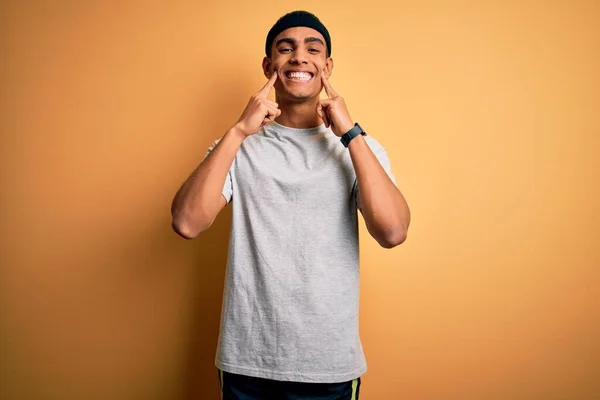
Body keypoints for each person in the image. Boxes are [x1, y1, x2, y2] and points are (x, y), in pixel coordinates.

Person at [171, 10, 411, 400]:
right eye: (286, 48)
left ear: (327, 66)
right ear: (269, 65)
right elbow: (186, 223)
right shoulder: (238, 147)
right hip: (247, 364)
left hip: (328, 366)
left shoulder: (359, 149)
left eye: (312, 49)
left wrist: (350, 133)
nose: (299, 57)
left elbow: (393, 232)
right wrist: (237, 131)